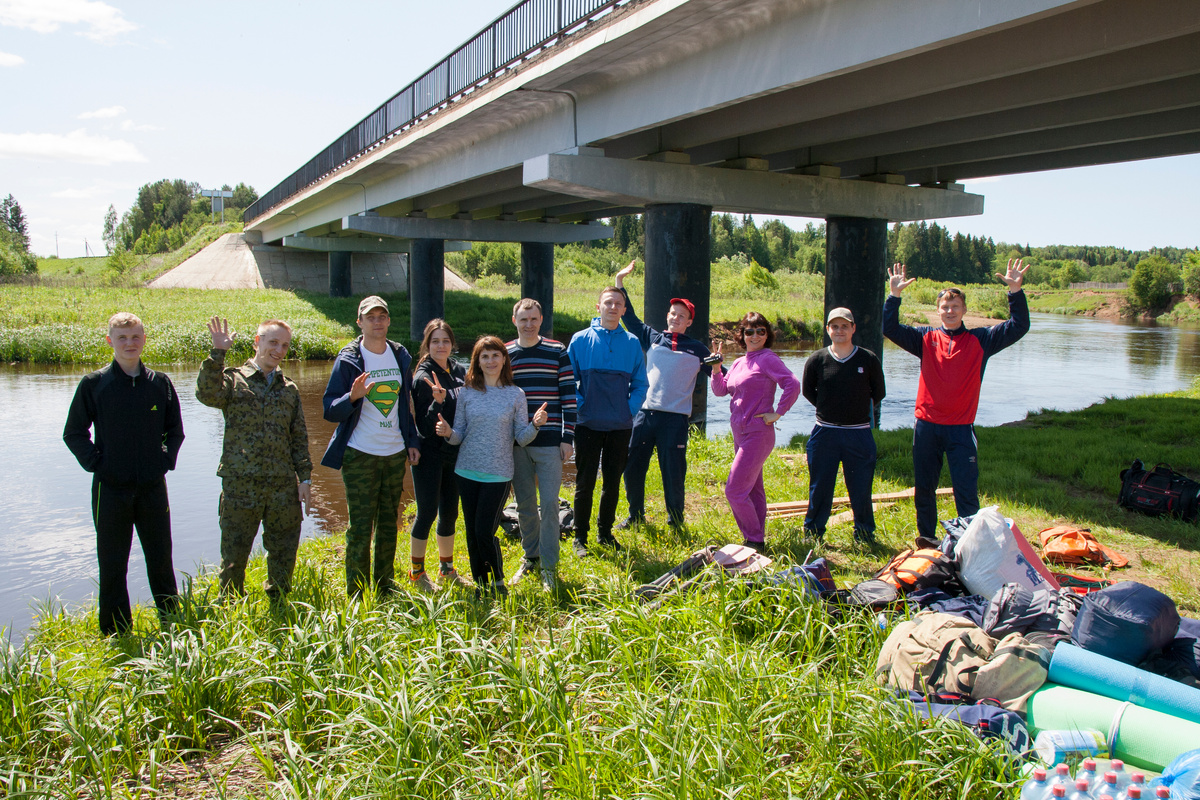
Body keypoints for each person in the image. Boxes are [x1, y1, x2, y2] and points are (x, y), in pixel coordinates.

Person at [883, 259, 1031, 538]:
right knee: (924, 487)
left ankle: (969, 543)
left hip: (961, 429)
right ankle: (926, 538)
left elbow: (1019, 326)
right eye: (945, 308)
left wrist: (1015, 292)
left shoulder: (982, 339)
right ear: (937, 311)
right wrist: (894, 296)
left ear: (964, 310)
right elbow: (889, 328)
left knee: (966, 489)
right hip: (926, 426)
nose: (950, 311)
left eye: (955, 307)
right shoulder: (924, 339)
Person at [63, 312, 184, 635]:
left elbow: (175, 432)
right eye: (122, 338)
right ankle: (116, 631)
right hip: (110, 488)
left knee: (160, 558)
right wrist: (98, 464)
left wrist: (164, 461)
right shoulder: (94, 384)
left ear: (144, 339)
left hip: (152, 487)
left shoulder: (160, 384)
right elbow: (74, 433)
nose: (129, 343)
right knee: (113, 563)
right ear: (110, 341)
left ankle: (172, 622)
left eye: (135, 337)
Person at [196, 317, 312, 598]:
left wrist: (305, 478)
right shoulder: (234, 381)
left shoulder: (289, 389)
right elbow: (206, 394)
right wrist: (217, 353)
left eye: (284, 345)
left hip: (282, 486)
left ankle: (280, 607)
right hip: (240, 486)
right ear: (257, 342)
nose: (279, 350)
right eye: (273, 342)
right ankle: (231, 610)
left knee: (284, 552)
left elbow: (298, 438)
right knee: (234, 556)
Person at [320, 296, 421, 598]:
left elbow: (405, 405)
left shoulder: (400, 354)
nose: (377, 322)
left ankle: (384, 585)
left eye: (382, 316)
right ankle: (356, 591)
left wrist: (412, 441)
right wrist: (352, 396)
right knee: (361, 529)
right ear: (359, 322)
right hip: (360, 453)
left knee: (390, 524)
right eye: (371, 317)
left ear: (389, 321)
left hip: (394, 454)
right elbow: (329, 410)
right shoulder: (348, 359)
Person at [435, 336, 547, 596]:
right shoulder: (467, 392)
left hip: (498, 473)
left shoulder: (515, 395)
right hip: (466, 470)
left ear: (504, 359)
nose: (490, 361)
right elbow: (460, 434)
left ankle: (497, 582)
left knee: (485, 531)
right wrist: (447, 432)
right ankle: (480, 583)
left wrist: (536, 425)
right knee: (472, 533)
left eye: (495, 355)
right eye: (484, 356)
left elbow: (521, 437)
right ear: (477, 361)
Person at [613, 260, 711, 530]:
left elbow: (724, 379)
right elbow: (629, 317)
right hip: (645, 415)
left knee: (673, 472)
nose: (674, 318)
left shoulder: (699, 349)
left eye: (681, 316)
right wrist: (620, 281)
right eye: (671, 314)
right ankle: (635, 515)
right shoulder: (652, 338)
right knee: (632, 467)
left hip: (675, 420)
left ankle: (676, 520)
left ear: (689, 321)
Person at [567, 286, 648, 555]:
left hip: (620, 425)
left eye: (618, 304)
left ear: (624, 310)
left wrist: (628, 409)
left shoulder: (632, 343)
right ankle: (580, 537)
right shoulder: (580, 340)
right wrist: (581, 406)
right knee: (585, 482)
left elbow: (640, 383)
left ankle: (605, 533)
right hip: (587, 424)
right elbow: (567, 381)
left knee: (612, 483)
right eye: (608, 303)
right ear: (598, 306)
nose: (613, 307)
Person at [711, 312, 800, 552]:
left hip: (758, 433)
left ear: (767, 335)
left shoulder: (768, 358)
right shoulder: (741, 362)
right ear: (741, 335)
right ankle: (758, 535)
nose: (755, 335)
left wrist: (778, 412)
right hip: (739, 432)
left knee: (734, 490)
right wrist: (717, 368)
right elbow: (720, 390)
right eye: (749, 331)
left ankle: (753, 540)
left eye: (761, 330)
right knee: (752, 488)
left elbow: (792, 383)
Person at [506, 299, 576, 591]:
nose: (529, 324)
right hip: (518, 443)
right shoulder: (506, 353)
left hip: (550, 443)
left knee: (548, 504)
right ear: (515, 321)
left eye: (534, 319)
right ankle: (530, 556)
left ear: (541, 320)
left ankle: (550, 565)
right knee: (524, 505)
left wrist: (567, 437)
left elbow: (569, 395)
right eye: (524, 319)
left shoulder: (557, 351)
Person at [801, 307, 886, 543]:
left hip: (858, 434)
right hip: (825, 433)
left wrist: (853, 409)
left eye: (845, 326)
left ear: (853, 329)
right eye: (835, 326)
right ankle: (813, 533)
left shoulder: (867, 359)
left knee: (860, 488)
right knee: (820, 487)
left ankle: (865, 533)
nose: (840, 330)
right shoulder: (817, 359)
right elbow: (808, 391)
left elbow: (878, 392)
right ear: (828, 329)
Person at [409, 318, 473, 590]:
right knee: (426, 513)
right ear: (427, 344)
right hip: (429, 454)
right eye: (435, 341)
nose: (441, 345)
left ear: (452, 343)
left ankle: (447, 569)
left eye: (445, 340)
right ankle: (416, 573)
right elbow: (423, 425)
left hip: (453, 452)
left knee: (449, 512)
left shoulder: (459, 370)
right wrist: (437, 403)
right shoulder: (423, 374)